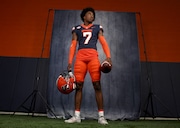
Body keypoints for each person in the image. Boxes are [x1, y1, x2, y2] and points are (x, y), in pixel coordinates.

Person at [65, 7, 112, 125]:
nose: (92, 16)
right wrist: (70, 62)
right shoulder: (77, 28)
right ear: (84, 17)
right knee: (78, 86)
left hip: (93, 58)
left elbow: (103, 42)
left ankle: (101, 116)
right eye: (89, 14)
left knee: (97, 85)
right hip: (80, 59)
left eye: (93, 14)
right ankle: (77, 116)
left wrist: (108, 56)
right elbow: (73, 45)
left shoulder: (97, 28)